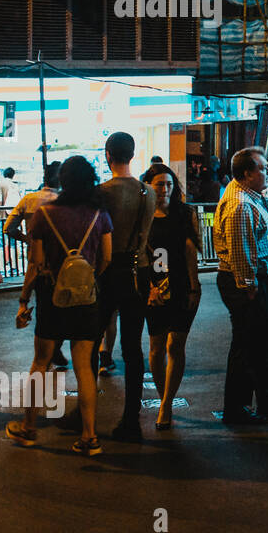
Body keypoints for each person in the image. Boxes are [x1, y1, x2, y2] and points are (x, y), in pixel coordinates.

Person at [7, 156, 113, 456]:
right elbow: (106, 258)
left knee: (41, 363)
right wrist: (89, 278)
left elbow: (35, 263)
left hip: (52, 298)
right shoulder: (99, 214)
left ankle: (28, 428)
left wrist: (24, 299)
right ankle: (90, 436)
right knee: (84, 367)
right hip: (87, 299)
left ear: (63, 180)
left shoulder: (44, 214)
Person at [213, 147, 268, 426]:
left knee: (260, 344)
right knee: (247, 346)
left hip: (257, 281)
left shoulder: (252, 197)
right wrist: (249, 285)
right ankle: (237, 408)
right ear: (247, 173)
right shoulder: (240, 204)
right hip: (248, 283)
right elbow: (240, 249)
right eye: (262, 168)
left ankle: (265, 403)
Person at [95, 131, 157, 442]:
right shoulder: (149, 192)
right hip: (139, 271)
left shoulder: (101, 192)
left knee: (91, 341)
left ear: (108, 155)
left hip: (106, 271)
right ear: (132, 155)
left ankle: (84, 413)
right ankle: (131, 419)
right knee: (133, 346)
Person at [138, 164, 202, 431]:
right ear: (148, 186)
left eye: (168, 185)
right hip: (152, 288)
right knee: (156, 347)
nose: (164, 189)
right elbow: (138, 254)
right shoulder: (141, 216)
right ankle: (164, 394)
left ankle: (166, 404)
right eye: (159, 184)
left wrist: (194, 286)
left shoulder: (185, 214)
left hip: (181, 286)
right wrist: (147, 288)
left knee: (176, 345)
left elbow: (191, 252)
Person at [3, 162, 68, 368]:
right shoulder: (66, 202)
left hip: (37, 265)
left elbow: (8, 228)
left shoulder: (28, 199)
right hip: (63, 265)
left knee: (43, 311)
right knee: (64, 310)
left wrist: (27, 239)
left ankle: (45, 353)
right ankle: (55, 349)